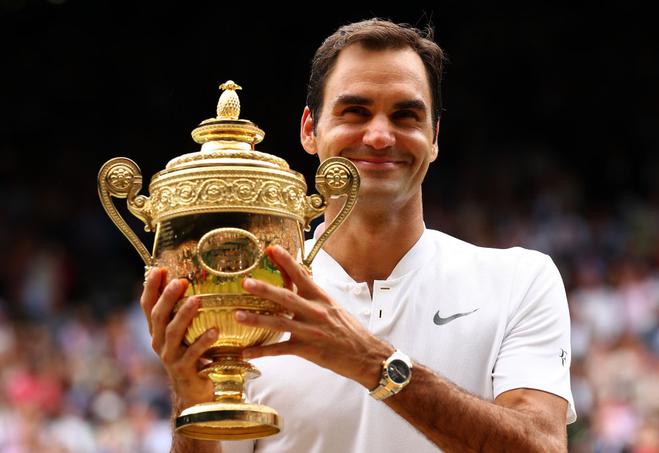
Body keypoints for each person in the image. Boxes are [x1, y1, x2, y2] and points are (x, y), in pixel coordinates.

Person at [141, 18, 576, 452]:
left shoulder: (519, 280)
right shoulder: (252, 293)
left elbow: (543, 446)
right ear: (310, 130)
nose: (381, 136)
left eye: (405, 115)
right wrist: (190, 402)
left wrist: (371, 362)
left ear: (435, 136)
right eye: (356, 111)